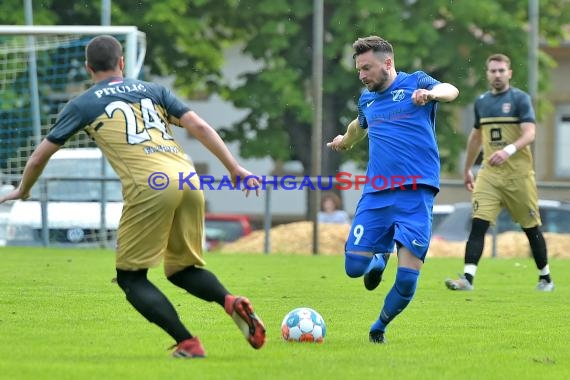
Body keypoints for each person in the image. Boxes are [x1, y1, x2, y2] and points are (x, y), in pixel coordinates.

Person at [0, 35, 266, 358]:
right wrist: (235, 167)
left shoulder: (84, 103)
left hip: (151, 186)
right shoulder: (153, 91)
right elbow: (199, 126)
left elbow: (38, 158)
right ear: (122, 63)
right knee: (181, 270)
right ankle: (229, 301)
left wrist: (23, 190)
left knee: (131, 278)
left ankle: (188, 343)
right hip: (188, 178)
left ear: (89, 68)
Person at [327, 35, 459, 343]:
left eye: (367, 68)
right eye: (359, 69)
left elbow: (451, 90)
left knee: (408, 279)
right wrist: (343, 142)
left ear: (387, 63)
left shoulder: (416, 83)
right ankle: (379, 258)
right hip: (377, 193)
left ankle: (379, 326)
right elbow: (358, 127)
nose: (362, 75)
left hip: (416, 192)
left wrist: (431, 93)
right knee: (353, 267)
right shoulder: (367, 99)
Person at [444, 53, 554, 292]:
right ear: (487, 73)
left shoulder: (520, 99)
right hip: (489, 176)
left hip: (519, 175)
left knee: (531, 227)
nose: (497, 75)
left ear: (509, 73)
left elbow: (530, 133)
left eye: (501, 70)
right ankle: (467, 279)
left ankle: (545, 278)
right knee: (478, 223)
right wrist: (466, 170)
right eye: (493, 71)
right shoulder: (482, 102)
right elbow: (476, 138)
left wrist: (508, 150)